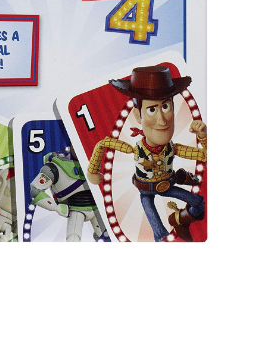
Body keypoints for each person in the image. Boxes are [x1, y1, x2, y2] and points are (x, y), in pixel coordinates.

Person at [86, 65, 207, 242]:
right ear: (138, 115)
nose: (162, 120)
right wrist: (92, 170)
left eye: (166, 107)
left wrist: (203, 137)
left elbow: (204, 156)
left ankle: (179, 220)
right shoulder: (136, 149)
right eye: (152, 109)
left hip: (168, 184)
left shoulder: (173, 148)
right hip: (145, 190)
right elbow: (103, 143)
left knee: (198, 204)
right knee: (159, 231)